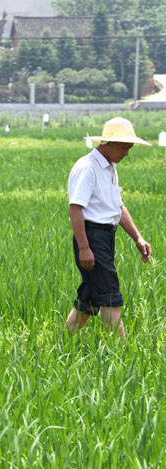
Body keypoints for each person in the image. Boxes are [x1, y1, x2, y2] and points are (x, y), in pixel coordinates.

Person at [65, 117, 152, 340]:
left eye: (129, 148)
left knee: (91, 296)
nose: (126, 153)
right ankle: (124, 351)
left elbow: (117, 207)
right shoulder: (88, 167)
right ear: (108, 143)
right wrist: (85, 248)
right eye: (124, 147)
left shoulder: (109, 168)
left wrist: (138, 238)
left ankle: (65, 341)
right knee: (110, 295)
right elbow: (75, 209)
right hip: (92, 236)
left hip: (104, 237)